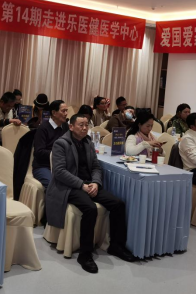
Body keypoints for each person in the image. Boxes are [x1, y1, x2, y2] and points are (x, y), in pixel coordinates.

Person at [46, 114, 136, 273]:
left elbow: (96, 167)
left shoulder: (88, 142)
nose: (84, 128)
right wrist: (81, 185)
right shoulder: (61, 143)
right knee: (90, 208)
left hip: (88, 184)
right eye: (80, 125)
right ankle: (85, 254)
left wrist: (95, 183)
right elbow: (59, 172)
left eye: (86, 125)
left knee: (118, 204)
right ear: (71, 127)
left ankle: (116, 245)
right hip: (69, 187)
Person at [32, 100, 69, 189]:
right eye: (63, 111)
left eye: (66, 111)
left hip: (61, 166)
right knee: (53, 186)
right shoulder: (43, 128)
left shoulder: (65, 126)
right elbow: (39, 152)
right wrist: (58, 153)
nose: (66, 114)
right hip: (44, 166)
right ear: (54, 113)